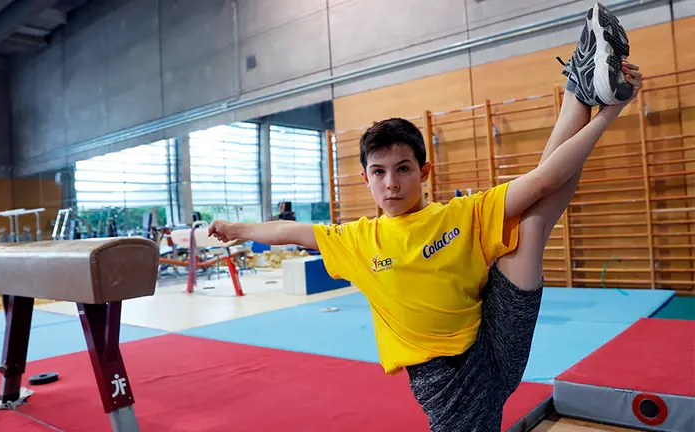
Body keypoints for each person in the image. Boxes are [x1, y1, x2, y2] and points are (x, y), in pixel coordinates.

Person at [208, 3, 641, 430]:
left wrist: (610, 113)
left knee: (534, 219)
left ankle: (578, 86)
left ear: (424, 172)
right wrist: (237, 229)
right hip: (444, 377)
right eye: (378, 173)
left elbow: (547, 178)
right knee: (535, 219)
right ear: (365, 179)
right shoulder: (359, 240)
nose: (391, 184)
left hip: (492, 327)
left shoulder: (459, 213)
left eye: (402, 170)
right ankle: (582, 84)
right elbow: (291, 231)